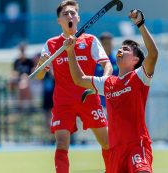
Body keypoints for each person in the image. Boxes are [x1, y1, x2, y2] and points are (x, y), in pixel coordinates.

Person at [66, 9, 158, 173]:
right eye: (121, 48)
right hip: (115, 151)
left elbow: (153, 54)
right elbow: (79, 79)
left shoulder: (139, 78)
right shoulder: (108, 83)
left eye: (126, 49)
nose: (120, 50)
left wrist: (140, 24)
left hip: (136, 145)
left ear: (135, 60)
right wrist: (70, 52)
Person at [34, 0, 113, 172]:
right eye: (65, 14)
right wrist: (41, 65)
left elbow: (107, 65)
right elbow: (40, 75)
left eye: (72, 13)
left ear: (78, 18)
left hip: (89, 97)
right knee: (61, 143)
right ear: (59, 21)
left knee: (107, 142)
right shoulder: (51, 44)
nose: (69, 16)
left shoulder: (91, 40)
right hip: (63, 101)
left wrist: (102, 83)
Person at [95, 32, 119, 108]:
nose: (108, 46)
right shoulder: (95, 60)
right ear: (101, 45)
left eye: (110, 43)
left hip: (117, 100)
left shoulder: (118, 57)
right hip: (100, 102)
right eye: (105, 44)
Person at [9, 41, 35, 112]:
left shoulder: (29, 61)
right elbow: (14, 72)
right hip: (19, 80)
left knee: (24, 79)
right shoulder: (17, 61)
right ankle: (22, 106)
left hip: (28, 79)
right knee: (19, 82)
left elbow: (33, 71)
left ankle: (22, 106)